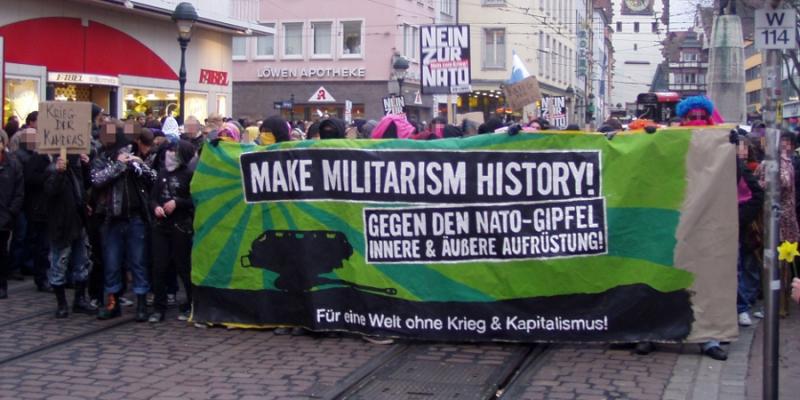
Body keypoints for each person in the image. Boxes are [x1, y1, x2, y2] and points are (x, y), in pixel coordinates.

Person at [90, 121, 156, 321]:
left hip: (135, 217)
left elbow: (153, 178)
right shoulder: (102, 159)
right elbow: (97, 180)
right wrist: (119, 165)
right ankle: (112, 302)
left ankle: (141, 303)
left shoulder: (134, 159)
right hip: (112, 218)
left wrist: (138, 164)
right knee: (112, 262)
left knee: (138, 262)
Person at [43, 151, 96, 317]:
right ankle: (61, 303)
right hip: (61, 225)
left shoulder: (75, 168)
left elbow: (85, 186)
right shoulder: (52, 170)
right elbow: (50, 191)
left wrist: (86, 166)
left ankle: (79, 300)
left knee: (82, 263)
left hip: (78, 222)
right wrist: (59, 173)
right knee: (59, 264)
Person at [148, 140, 196, 323]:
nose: (170, 154)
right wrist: (156, 207)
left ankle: (192, 303)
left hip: (180, 226)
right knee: (159, 267)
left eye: (174, 151)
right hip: (161, 226)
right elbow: (152, 198)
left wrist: (178, 202)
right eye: (169, 150)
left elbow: (194, 200)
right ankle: (158, 307)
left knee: (183, 267)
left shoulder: (188, 174)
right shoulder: (162, 173)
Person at [13, 126, 52, 292]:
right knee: (36, 241)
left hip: (43, 206)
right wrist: (49, 175)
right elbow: (29, 179)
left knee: (40, 242)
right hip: (35, 206)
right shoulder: (36, 158)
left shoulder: (50, 158)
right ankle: (36, 274)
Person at [0, 128, 24, 299]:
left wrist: (10, 213)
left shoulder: (13, 164)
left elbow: (19, 193)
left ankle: (2, 285)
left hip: (4, 217)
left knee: (2, 253)